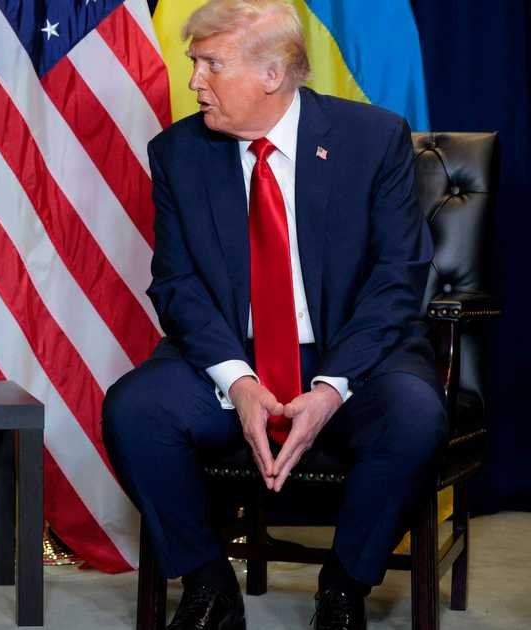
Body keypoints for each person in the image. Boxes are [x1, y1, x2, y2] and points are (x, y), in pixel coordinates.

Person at [101, 1, 445, 628]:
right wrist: (238, 380)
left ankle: (343, 589)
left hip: (353, 355)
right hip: (234, 356)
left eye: (211, 64)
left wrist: (333, 386)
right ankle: (209, 586)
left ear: (273, 72)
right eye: (195, 63)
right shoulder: (178, 152)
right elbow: (176, 284)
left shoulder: (373, 139)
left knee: (415, 416)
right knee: (135, 409)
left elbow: (397, 278)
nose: (193, 81)